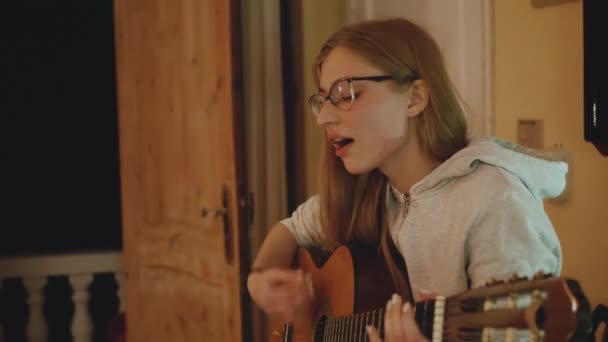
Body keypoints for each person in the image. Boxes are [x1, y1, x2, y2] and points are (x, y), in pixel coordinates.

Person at [247, 17, 566, 341]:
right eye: (324, 100)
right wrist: (258, 279)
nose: (324, 118)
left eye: (346, 94)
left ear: (414, 98)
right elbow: (290, 228)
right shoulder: (369, 189)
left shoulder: (496, 204)